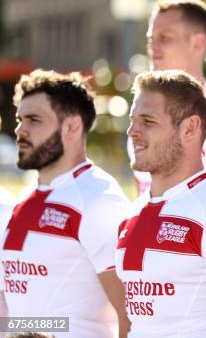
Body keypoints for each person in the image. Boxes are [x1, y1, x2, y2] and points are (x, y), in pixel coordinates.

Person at [118, 70, 206, 337]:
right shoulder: (131, 214)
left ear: (190, 128)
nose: (133, 132)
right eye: (133, 121)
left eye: (148, 121)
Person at [1, 70, 129, 338]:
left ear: (71, 127)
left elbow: (131, 314)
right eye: (19, 119)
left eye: (34, 119)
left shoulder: (98, 199)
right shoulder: (22, 202)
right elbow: (9, 311)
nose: (20, 130)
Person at [129, 0, 206, 200]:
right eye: (151, 39)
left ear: (198, 42)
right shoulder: (141, 112)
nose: (152, 47)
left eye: (164, 38)